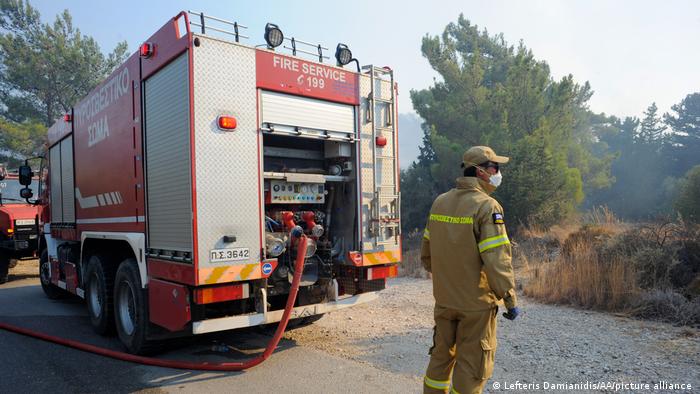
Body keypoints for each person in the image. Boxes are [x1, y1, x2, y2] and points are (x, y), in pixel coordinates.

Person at [421, 145, 520, 394]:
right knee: (472, 366)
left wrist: (448, 280)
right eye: (494, 167)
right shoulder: (488, 207)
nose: (498, 172)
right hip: (475, 305)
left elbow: (427, 256)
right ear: (480, 172)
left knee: (440, 359)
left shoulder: (440, 202)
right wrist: (509, 298)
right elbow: (497, 260)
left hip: (444, 300)